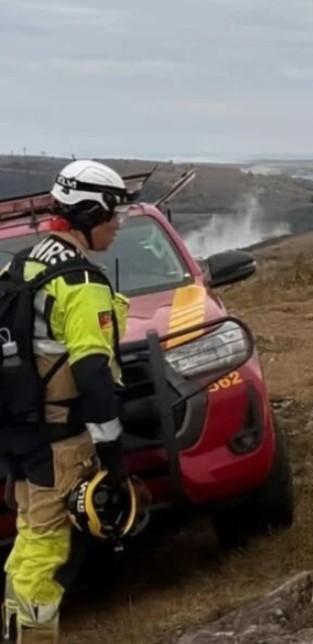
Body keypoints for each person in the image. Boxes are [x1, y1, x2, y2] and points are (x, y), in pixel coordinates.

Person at [0, 160, 133, 642]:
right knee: (49, 554)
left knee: (31, 540)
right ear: (90, 213)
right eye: (113, 215)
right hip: (61, 440)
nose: (117, 225)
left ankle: (14, 631)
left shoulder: (24, 263)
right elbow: (93, 374)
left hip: (21, 433)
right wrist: (113, 454)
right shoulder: (81, 283)